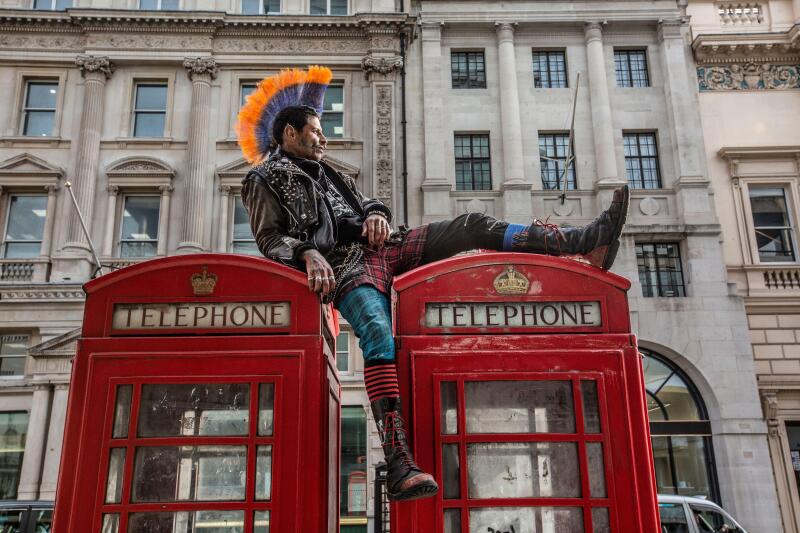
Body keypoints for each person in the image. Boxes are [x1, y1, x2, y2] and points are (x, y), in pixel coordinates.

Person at [238, 67, 629, 503]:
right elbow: (270, 239)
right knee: (377, 335)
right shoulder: (263, 178)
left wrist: (376, 213)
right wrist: (307, 253)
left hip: (388, 247)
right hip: (345, 266)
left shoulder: (326, 169)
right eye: (315, 131)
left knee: (471, 225)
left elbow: (364, 201)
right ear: (290, 132)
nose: (323, 138)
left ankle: (579, 245)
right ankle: (398, 459)